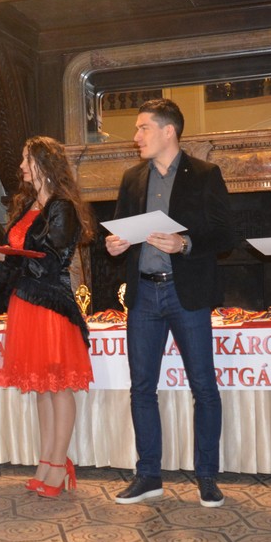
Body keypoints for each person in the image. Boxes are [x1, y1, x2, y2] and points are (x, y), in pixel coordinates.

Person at [105, 98, 234, 507]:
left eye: (143, 127)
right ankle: (148, 476)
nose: (136, 136)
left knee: (204, 387)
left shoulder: (205, 174)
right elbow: (122, 231)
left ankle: (207, 477)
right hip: (143, 294)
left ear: (168, 131)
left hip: (186, 292)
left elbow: (226, 235)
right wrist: (116, 244)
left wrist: (186, 244)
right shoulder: (132, 178)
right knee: (142, 388)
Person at [0, 136, 94, 498]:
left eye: (27, 160)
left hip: (52, 306)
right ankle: (47, 462)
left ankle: (58, 465)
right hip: (24, 304)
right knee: (41, 387)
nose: (21, 166)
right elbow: (14, 271)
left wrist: (7, 257)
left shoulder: (62, 207)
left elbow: (50, 262)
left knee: (58, 387)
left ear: (44, 163)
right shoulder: (27, 207)